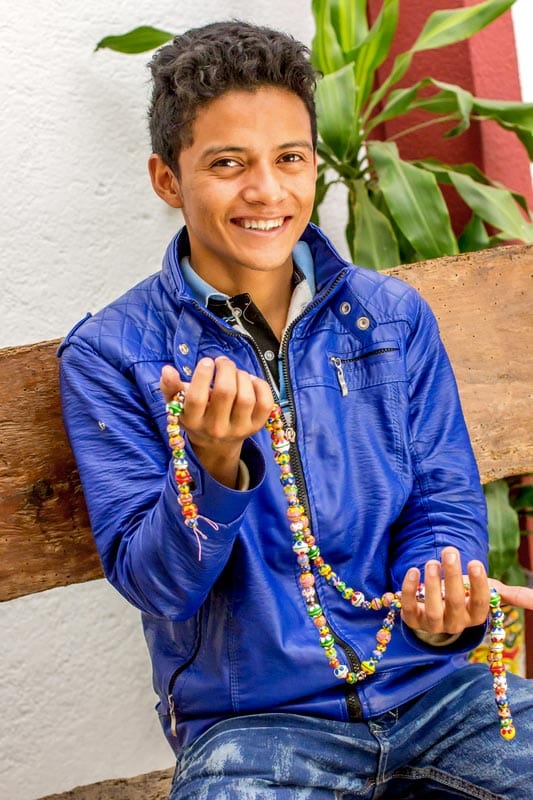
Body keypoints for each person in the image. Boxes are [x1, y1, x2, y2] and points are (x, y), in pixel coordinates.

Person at [59, 20, 533, 800]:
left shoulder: (391, 317)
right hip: (252, 728)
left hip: (436, 692)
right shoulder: (112, 356)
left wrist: (437, 601)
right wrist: (211, 467)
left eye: (290, 158)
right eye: (226, 164)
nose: (267, 191)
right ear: (166, 180)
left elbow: (442, 500)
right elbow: (157, 588)